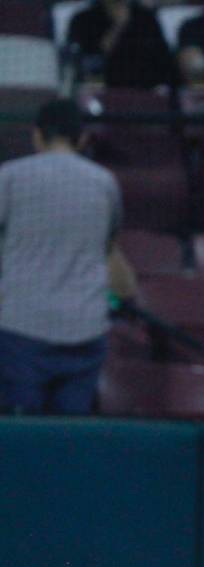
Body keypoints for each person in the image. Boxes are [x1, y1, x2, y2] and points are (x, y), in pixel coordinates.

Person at [0, 100, 137, 415]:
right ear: (83, 138)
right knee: (72, 433)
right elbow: (109, 247)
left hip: (21, 327)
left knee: (23, 434)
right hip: (85, 327)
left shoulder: (9, 177)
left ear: (37, 135)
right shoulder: (104, 182)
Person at [67, 0, 176, 89]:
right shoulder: (83, 20)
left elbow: (163, 61)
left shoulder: (146, 18)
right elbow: (86, 61)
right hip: (101, 91)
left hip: (144, 92)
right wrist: (118, 27)